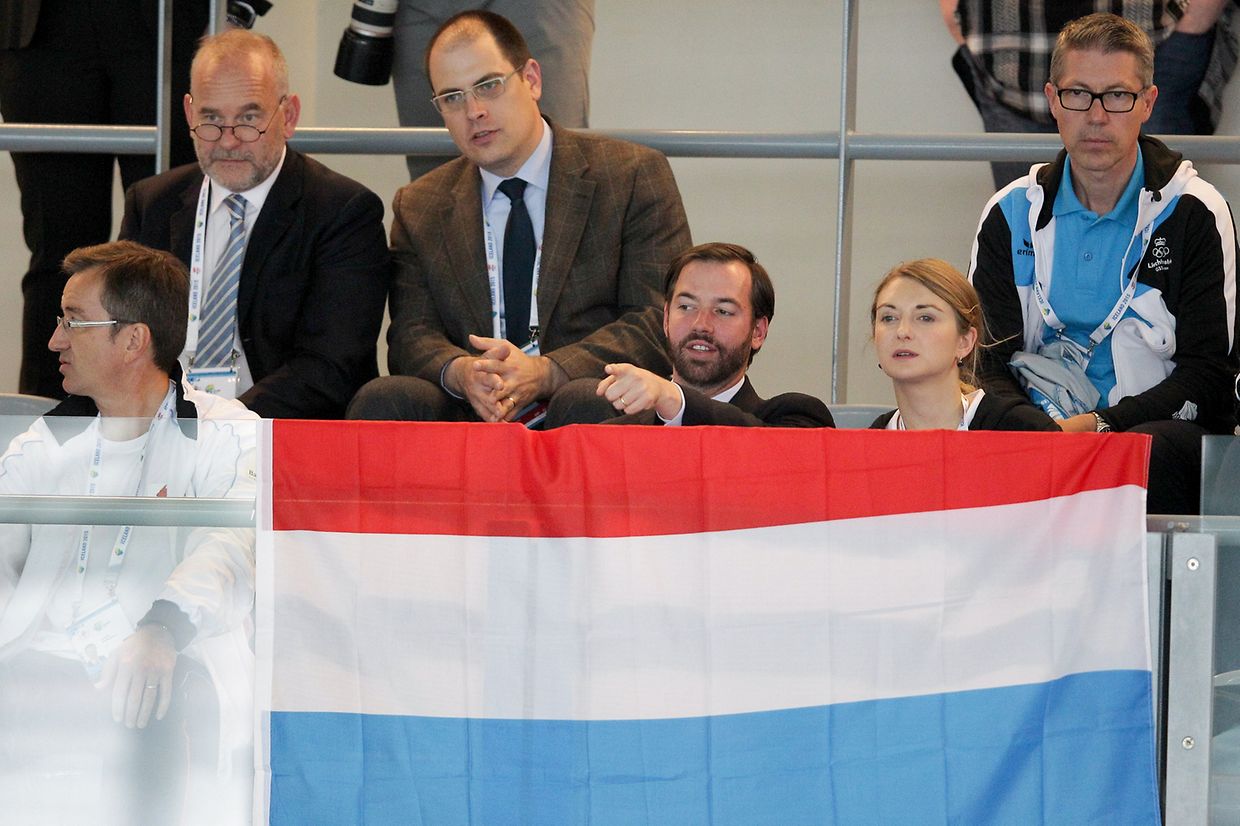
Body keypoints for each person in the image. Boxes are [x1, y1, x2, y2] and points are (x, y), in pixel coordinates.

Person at [0, 241, 257, 823]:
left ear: (134, 340)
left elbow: (232, 550)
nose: (54, 341)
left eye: (74, 322)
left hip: (159, 652)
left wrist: (162, 629)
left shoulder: (229, 433)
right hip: (38, 657)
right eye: (59, 320)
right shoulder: (44, 442)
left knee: (147, 688)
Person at [347, 10, 690, 425]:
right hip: (476, 409)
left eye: (488, 86)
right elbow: (409, 337)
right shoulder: (420, 205)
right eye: (452, 98)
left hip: (584, 397)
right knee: (385, 398)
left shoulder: (631, 176)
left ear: (531, 79)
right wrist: (462, 373)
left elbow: (658, 320)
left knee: (588, 400)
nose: (473, 111)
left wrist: (548, 372)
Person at [968, 13, 1239, 514]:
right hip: (1037, 434)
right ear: (1053, 101)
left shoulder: (1196, 211)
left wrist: (1099, 427)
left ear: (1148, 104)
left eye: (1117, 96)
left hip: (1151, 440)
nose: (1096, 116)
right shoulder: (1009, 214)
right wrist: (1040, 432)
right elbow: (987, 361)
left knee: (1146, 454)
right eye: (1078, 95)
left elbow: (1208, 376)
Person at [119, 29, 391, 419]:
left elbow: (329, 368)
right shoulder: (151, 204)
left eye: (248, 119)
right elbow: (120, 337)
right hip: (160, 428)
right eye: (211, 120)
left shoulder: (343, 211)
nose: (228, 141)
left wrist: (215, 424)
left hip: (281, 432)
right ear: (188, 113)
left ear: (289, 116)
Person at [0, 0, 209, 399]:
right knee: (57, 255)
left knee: (169, 246)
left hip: (168, 19)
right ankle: (48, 433)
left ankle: (178, 417)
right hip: (38, 23)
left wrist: (238, 9)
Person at [942, 0, 1239, 189]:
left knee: (1157, 238)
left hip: (1160, 34)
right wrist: (956, 11)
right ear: (1052, 95)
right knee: (1028, 246)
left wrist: (1197, 15)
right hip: (1009, 47)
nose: (1096, 116)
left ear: (1148, 101)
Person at [546, 242, 833, 428]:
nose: (701, 325)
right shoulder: (614, 424)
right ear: (667, 318)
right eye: (687, 306)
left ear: (758, 331)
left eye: (723, 311)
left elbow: (767, 455)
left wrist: (676, 401)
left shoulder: (796, 417)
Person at [389, 0, 595, 181]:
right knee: (433, 179)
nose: (474, 111)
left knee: (555, 158)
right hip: (418, 5)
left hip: (535, 6)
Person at [869, 259, 1059, 431]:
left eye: (925, 318)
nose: (902, 331)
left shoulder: (1023, 430)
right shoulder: (867, 447)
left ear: (965, 341)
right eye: (889, 318)